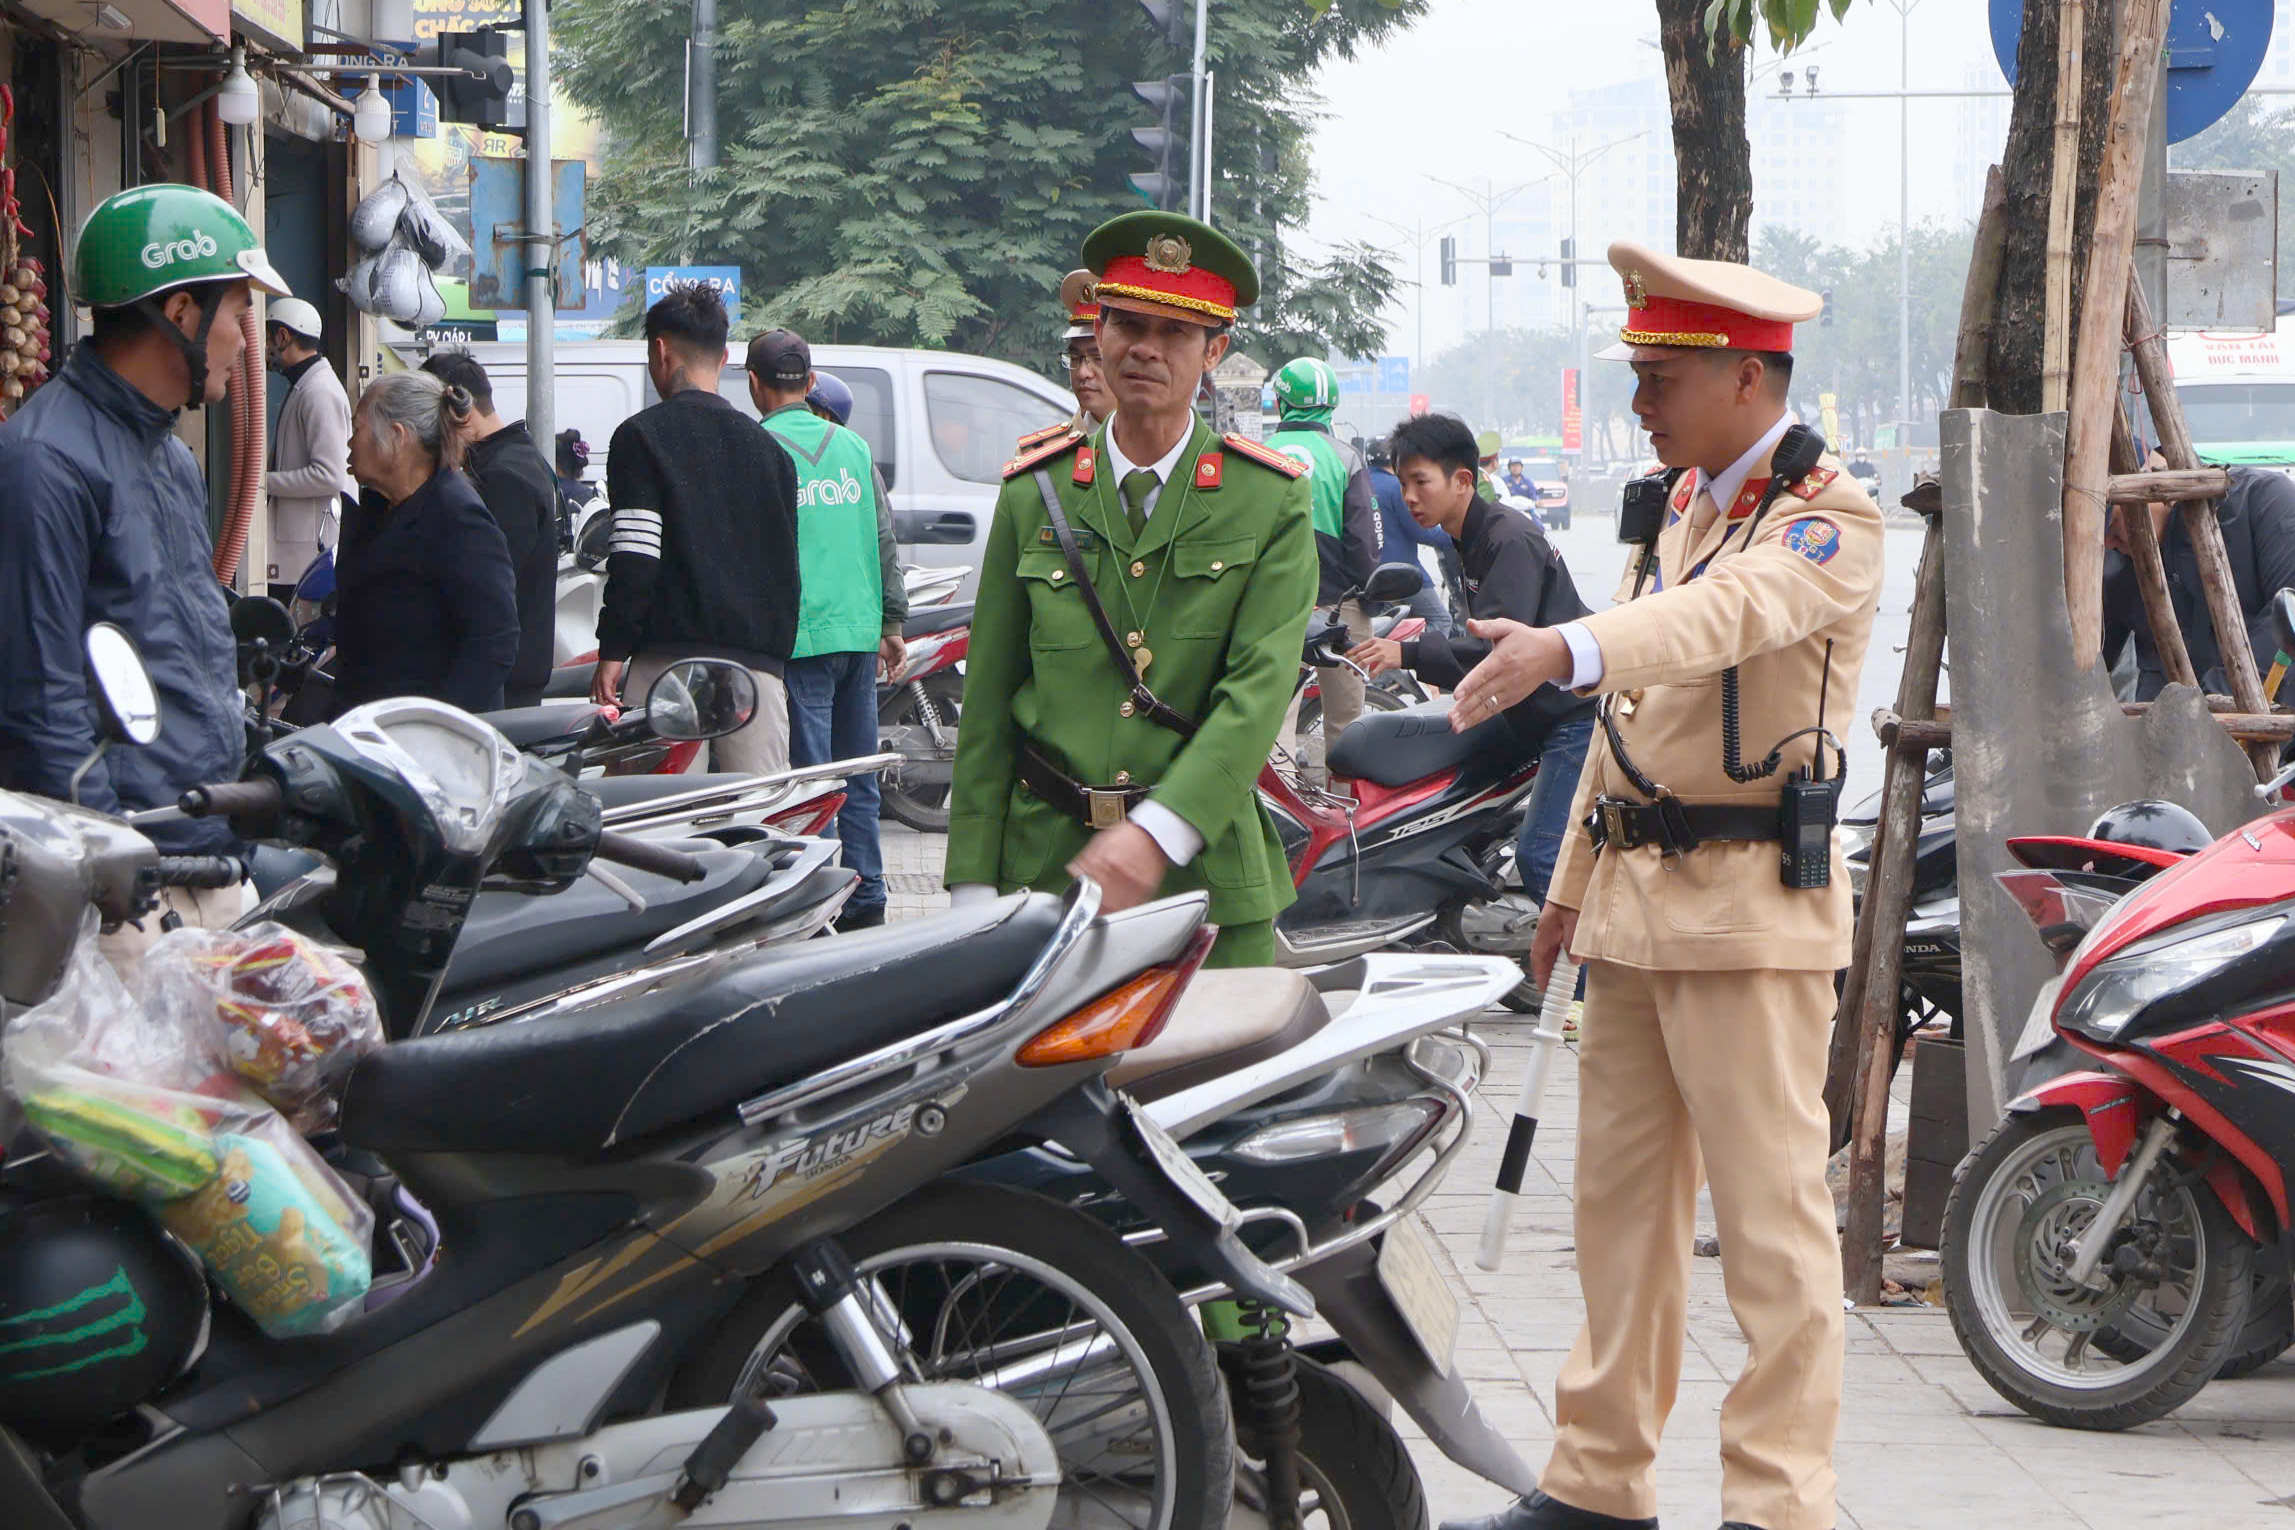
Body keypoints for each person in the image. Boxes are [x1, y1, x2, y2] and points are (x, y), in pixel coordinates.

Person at [1436, 242, 1884, 1530]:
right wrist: (1569, 888)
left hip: (1750, 913)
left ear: (1747, 380)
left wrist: (1562, 646)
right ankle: (1598, 1480)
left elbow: (1720, 622)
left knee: (1769, 1228)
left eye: (1662, 376)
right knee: (1618, 1216)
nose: (1640, 400)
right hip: (1633, 912)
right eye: (1637, 374)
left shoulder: (1827, 516)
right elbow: (1633, 720)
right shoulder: (1677, 501)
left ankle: (1780, 1502)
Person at [945, 210, 1317, 965]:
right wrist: (971, 883)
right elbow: (986, 699)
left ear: (1214, 351)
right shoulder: (1035, 492)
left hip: (1203, 873)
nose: (1146, 348)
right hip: (1045, 871)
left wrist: (1158, 832)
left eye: (1175, 332)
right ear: (1099, 334)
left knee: (1213, 1081)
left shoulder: (1268, 498)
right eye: (1128, 324)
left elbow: (1257, 693)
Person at [0, 184, 290, 969]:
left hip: (210, 854)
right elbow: (41, 699)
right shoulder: (44, 463)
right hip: (129, 889)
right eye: (238, 315)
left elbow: (180, 645)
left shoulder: (169, 455)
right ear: (183, 315)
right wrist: (111, 872)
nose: (245, 342)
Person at [1346, 412, 1595, 906]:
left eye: (1420, 482)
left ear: (1463, 480)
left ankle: (1581, 979)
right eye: (1403, 484)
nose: (1409, 497)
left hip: (1572, 716)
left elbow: (1500, 654)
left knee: (1541, 854)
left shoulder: (1507, 538)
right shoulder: (1467, 537)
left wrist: (1407, 653)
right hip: (1525, 709)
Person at [593, 282, 802, 773]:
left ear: (660, 351)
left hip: (669, 669)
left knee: (656, 830)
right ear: (725, 356)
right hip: (758, 675)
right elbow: (788, 573)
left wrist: (614, 650)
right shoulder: (772, 454)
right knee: (755, 832)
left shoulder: (641, 438)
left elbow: (636, 557)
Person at [747, 328, 907, 932]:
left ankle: (827, 903)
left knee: (816, 786)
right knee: (858, 778)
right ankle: (869, 897)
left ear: (755, 386)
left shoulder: (754, 449)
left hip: (800, 640)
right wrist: (891, 622)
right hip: (858, 634)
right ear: (811, 383)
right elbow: (884, 538)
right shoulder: (854, 449)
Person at [331, 370, 520, 716]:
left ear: (397, 436)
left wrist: (436, 728)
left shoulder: (457, 517)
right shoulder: (382, 508)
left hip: (421, 742)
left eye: (357, 429)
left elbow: (493, 641)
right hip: (371, 725)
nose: (349, 442)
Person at [420, 350, 560, 707]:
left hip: (501, 685)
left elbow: (489, 591)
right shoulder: (520, 458)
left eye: (430, 424)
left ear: (458, 411)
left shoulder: (501, 477)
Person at [1266, 356, 1378, 787]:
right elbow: (1364, 541)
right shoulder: (1346, 458)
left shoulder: (1255, 453)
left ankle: (1277, 817)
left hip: (1271, 605)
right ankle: (1345, 818)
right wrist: (1369, 599)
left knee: (1272, 719)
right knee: (1345, 721)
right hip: (1340, 604)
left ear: (1282, 403)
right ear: (1330, 407)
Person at [2102, 451, 2295, 699]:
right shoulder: (2118, 567)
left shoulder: (2264, 501)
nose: (2107, 542)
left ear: (2148, 479)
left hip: (2273, 723)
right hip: (2171, 729)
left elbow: (2286, 616)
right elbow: (2089, 658)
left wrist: (2204, 710)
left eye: (2111, 524)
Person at [262, 296, 354, 601]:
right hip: (296, 556)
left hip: (302, 560)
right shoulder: (308, 385)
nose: (263, 349)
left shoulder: (319, 391)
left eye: (267, 337)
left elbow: (330, 475)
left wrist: (263, 482)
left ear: (283, 336)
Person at [1368, 436, 1457, 638]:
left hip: (1366, 574)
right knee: (1440, 619)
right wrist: (1453, 533)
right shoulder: (1395, 488)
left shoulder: (1357, 482)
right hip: (1401, 573)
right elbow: (1420, 530)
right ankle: (1425, 664)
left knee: (1381, 627)